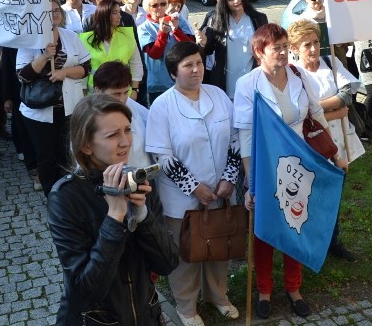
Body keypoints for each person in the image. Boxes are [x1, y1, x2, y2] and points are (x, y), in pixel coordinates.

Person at [233, 24, 347, 318]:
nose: (284, 53)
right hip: (267, 166)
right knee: (266, 231)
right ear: (260, 52)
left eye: (285, 46)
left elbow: (317, 114)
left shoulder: (298, 75)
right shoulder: (247, 84)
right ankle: (265, 291)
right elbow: (245, 136)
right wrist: (252, 182)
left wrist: (334, 152)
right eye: (277, 48)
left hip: (300, 163)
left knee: (297, 223)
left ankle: (294, 288)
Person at [47, 93, 178, 326]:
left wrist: (142, 215)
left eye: (127, 130)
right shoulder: (66, 197)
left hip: (145, 316)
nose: (126, 142)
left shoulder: (141, 181)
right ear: (86, 145)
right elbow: (87, 291)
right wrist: (115, 216)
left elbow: (167, 263)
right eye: (112, 135)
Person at [145, 42, 241, 325]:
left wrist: (229, 178)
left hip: (221, 192)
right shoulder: (162, 106)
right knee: (187, 253)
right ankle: (187, 307)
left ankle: (218, 296)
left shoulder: (219, 95)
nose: (196, 69)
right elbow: (161, 155)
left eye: (199, 63)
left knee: (219, 247)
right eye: (188, 65)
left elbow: (236, 139)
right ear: (174, 72)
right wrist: (194, 187)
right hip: (182, 199)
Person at [287, 20, 361, 262]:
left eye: (316, 42)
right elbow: (303, 113)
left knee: (335, 194)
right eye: (306, 44)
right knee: (311, 196)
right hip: (311, 143)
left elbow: (347, 95)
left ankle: (333, 241)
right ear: (295, 48)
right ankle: (310, 244)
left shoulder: (331, 63)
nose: (313, 48)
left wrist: (320, 108)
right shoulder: (293, 73)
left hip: (338, 140)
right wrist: (333, 111)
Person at [17, 0, 91, 195]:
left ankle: (68, 193)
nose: (55, 14)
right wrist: (43, 57)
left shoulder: (71, 36)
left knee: (66, 153)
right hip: (40, 111)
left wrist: (64, 73)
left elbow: (86, 68)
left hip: (69, 107)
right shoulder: (29, 40)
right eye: (49, 11)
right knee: (46, 156)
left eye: (57, 10)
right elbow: (22, 76)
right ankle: (52, 196)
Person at [199, 0, 268, 96]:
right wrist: (203, 42)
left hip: (251, 76)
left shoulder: (258, 18)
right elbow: (209, 50)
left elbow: (266, 46)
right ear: (224, 3)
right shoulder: (216, 19)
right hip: (225, 78)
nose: (236, 1)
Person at [138, 0, 195, 103]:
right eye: (155, 5)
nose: (159, 7)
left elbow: (191, 47)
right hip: (158, 83)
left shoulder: (179, 20)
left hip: (181, 80)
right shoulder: (144, 28)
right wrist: (162, 33)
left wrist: (176, 31)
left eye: (163, 4)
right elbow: (155, 54)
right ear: (148, 8)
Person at [93, 60, 151, 168]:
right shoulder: (89, 115)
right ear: (98, 91)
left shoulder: (134, 106)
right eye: (116, 94)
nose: (122, 99)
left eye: (125, 92)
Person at [79, 0, 143, 94]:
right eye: (114, 13)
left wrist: (135, 90)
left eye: (119, 12)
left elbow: (136, 64)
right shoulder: (85, 39)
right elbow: (83, 68)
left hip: (122, 92)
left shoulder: (127, 36)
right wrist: (82, 90)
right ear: (104, 14)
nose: (119, 16)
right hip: (95, 94)